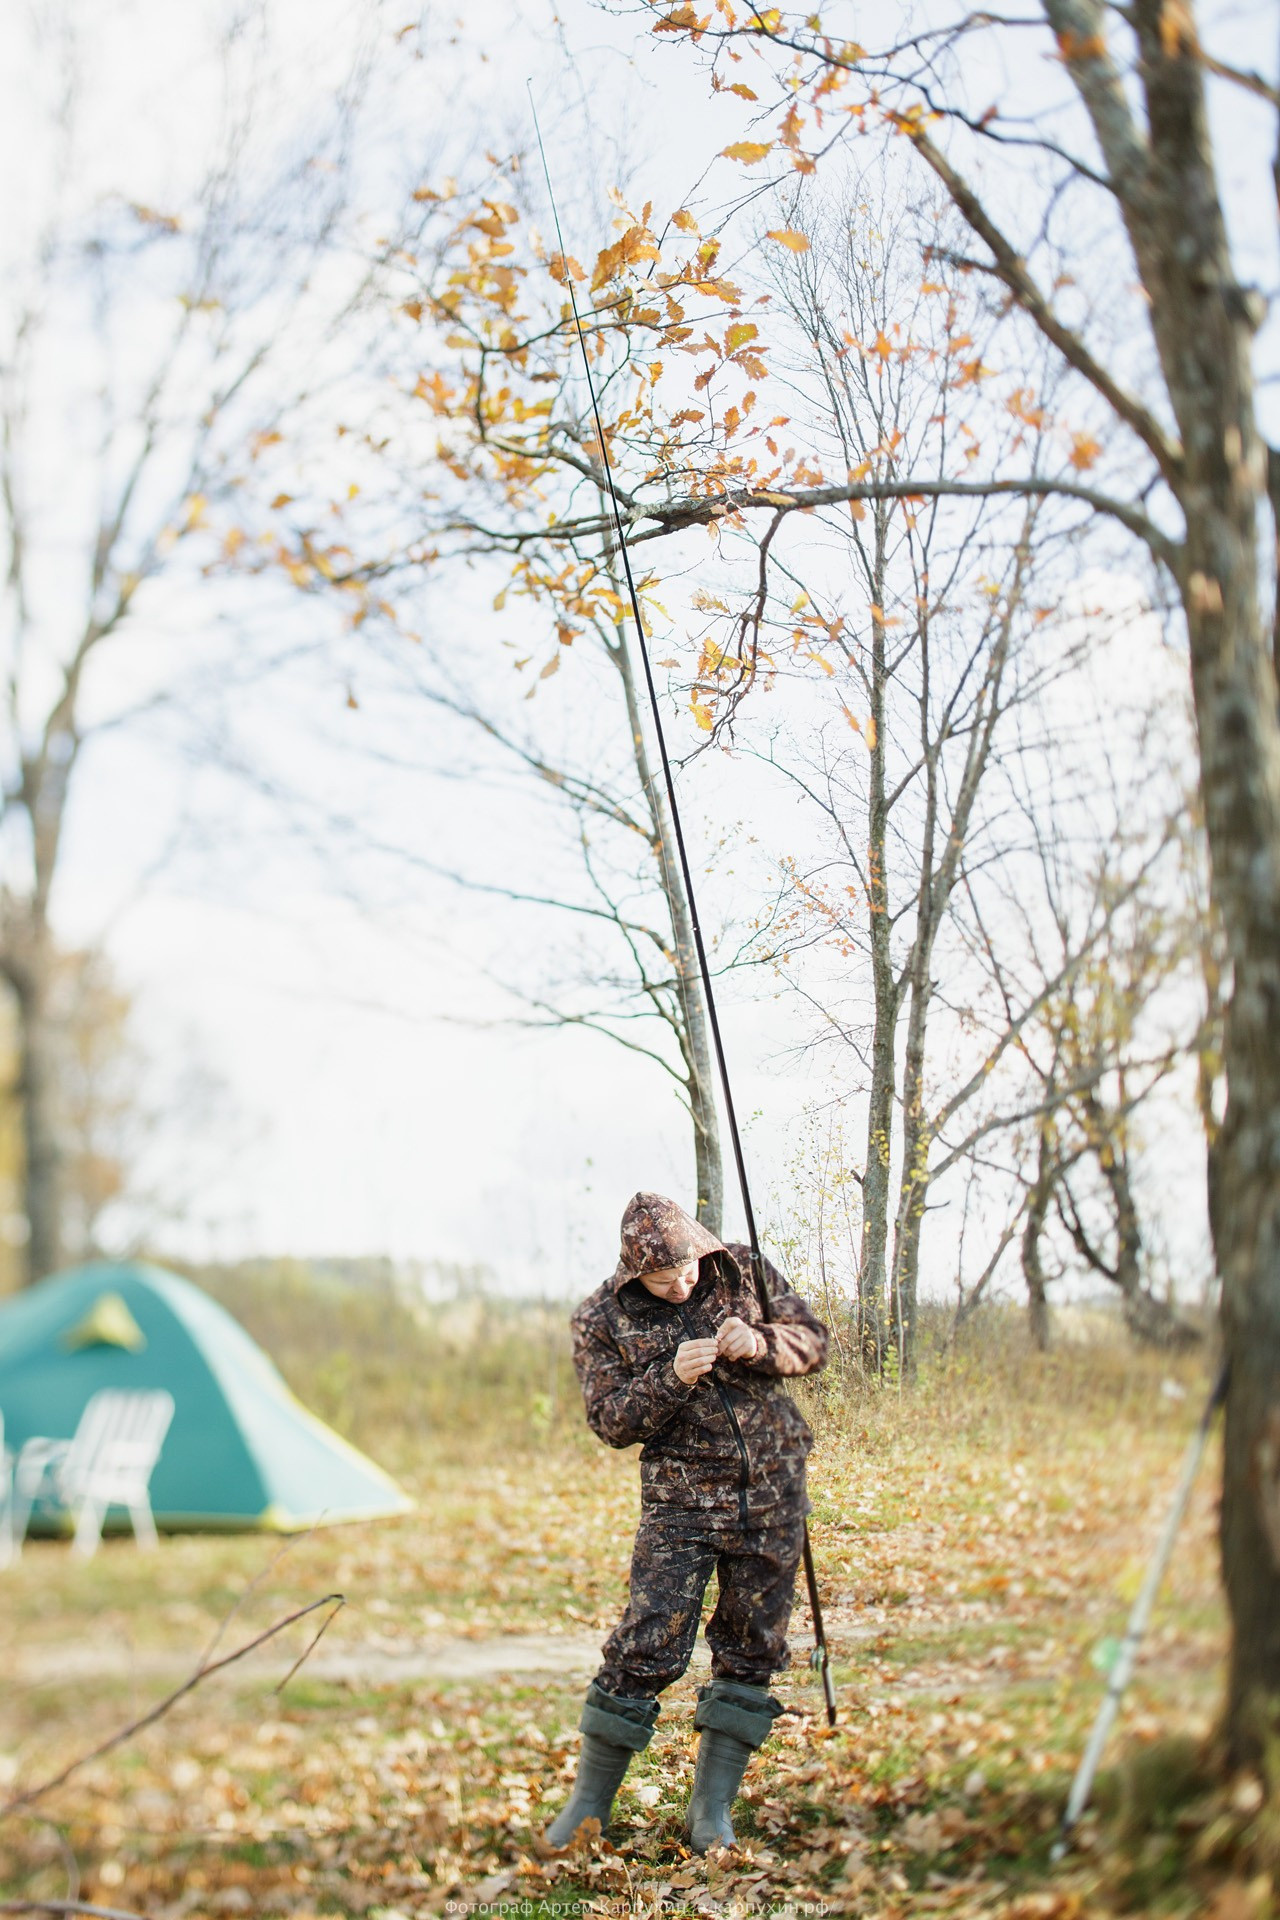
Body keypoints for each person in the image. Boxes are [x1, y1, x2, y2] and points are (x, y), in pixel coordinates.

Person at [545, 1191, 828, 1853]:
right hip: (680, 1504)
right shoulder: (600, 1317)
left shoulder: (744, 1268)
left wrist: (759, 1342)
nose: (682, 1284)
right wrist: (669, 1378)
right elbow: (610, 1421)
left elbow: (812, 1343)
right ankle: (588, 1808)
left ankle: (711, 1813)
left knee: (753, 1645)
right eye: (663, 1279)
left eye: (690, 1269)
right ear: (632, 1273)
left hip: (773, 1491)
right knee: (645, 1646)